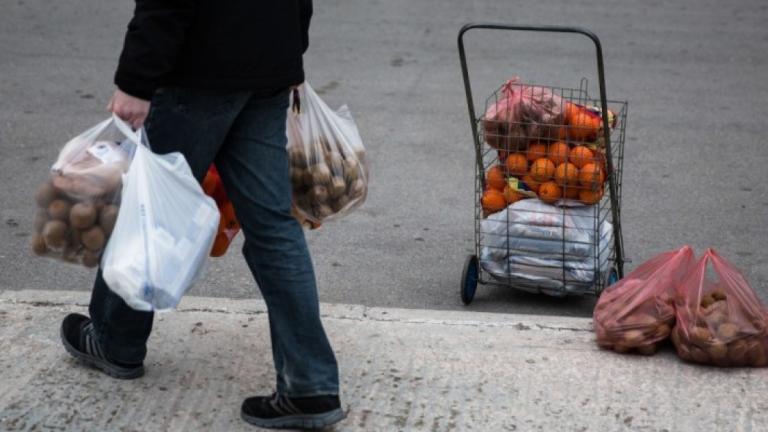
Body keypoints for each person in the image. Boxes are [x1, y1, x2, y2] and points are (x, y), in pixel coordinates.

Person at [58, 1, 345, 429]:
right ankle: (310, 386)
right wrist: (289, 53)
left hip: (198, 74)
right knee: (273, 228)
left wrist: (135, 81)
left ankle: (117, 340)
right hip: (268, 66)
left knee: (149, 211)